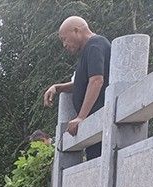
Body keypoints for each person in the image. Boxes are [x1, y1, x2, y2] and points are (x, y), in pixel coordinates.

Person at [43, 16, 111, 160]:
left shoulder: (95, 45)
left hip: (100, 124)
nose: (64, 45)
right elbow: (82, 84)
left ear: (76, 31)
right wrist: (57, 88)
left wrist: (81, 117)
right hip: (95, 125)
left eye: (64, 39)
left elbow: (96, 81)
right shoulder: (89, 49)